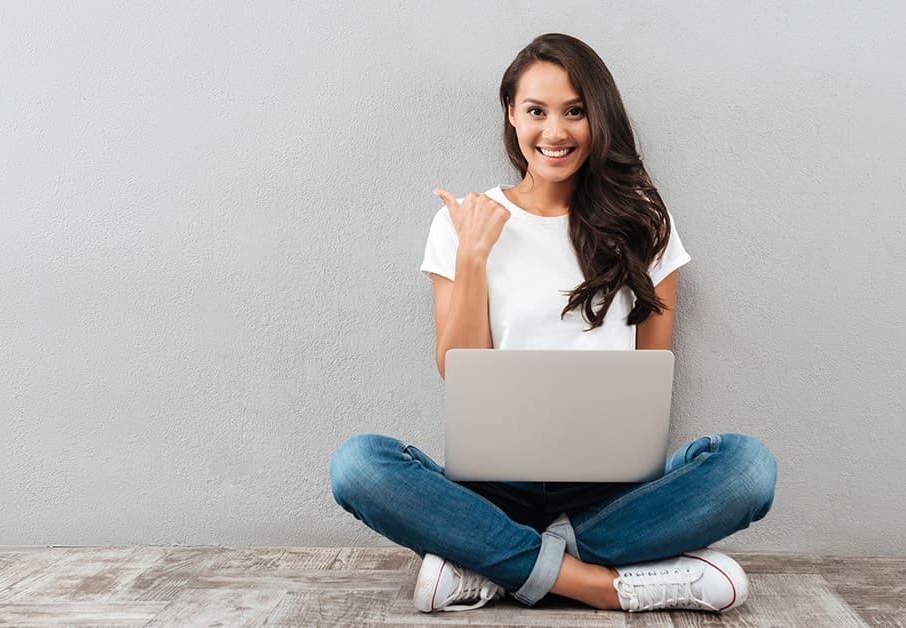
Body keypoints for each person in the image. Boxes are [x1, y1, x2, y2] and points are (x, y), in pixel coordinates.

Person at [329, 33, 776, 615]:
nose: (555, 132)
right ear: (512, 116)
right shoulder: (464, 224)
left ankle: (489, 566)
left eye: (575, 111)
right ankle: (601, 585)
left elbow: (652, 374)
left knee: (747, 469)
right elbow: (458, 369)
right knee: (358, 464)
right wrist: (472, 257)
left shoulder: (646, 222)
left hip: (612, 496)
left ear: (599, 117)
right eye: (536, 111)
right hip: (491, 491)